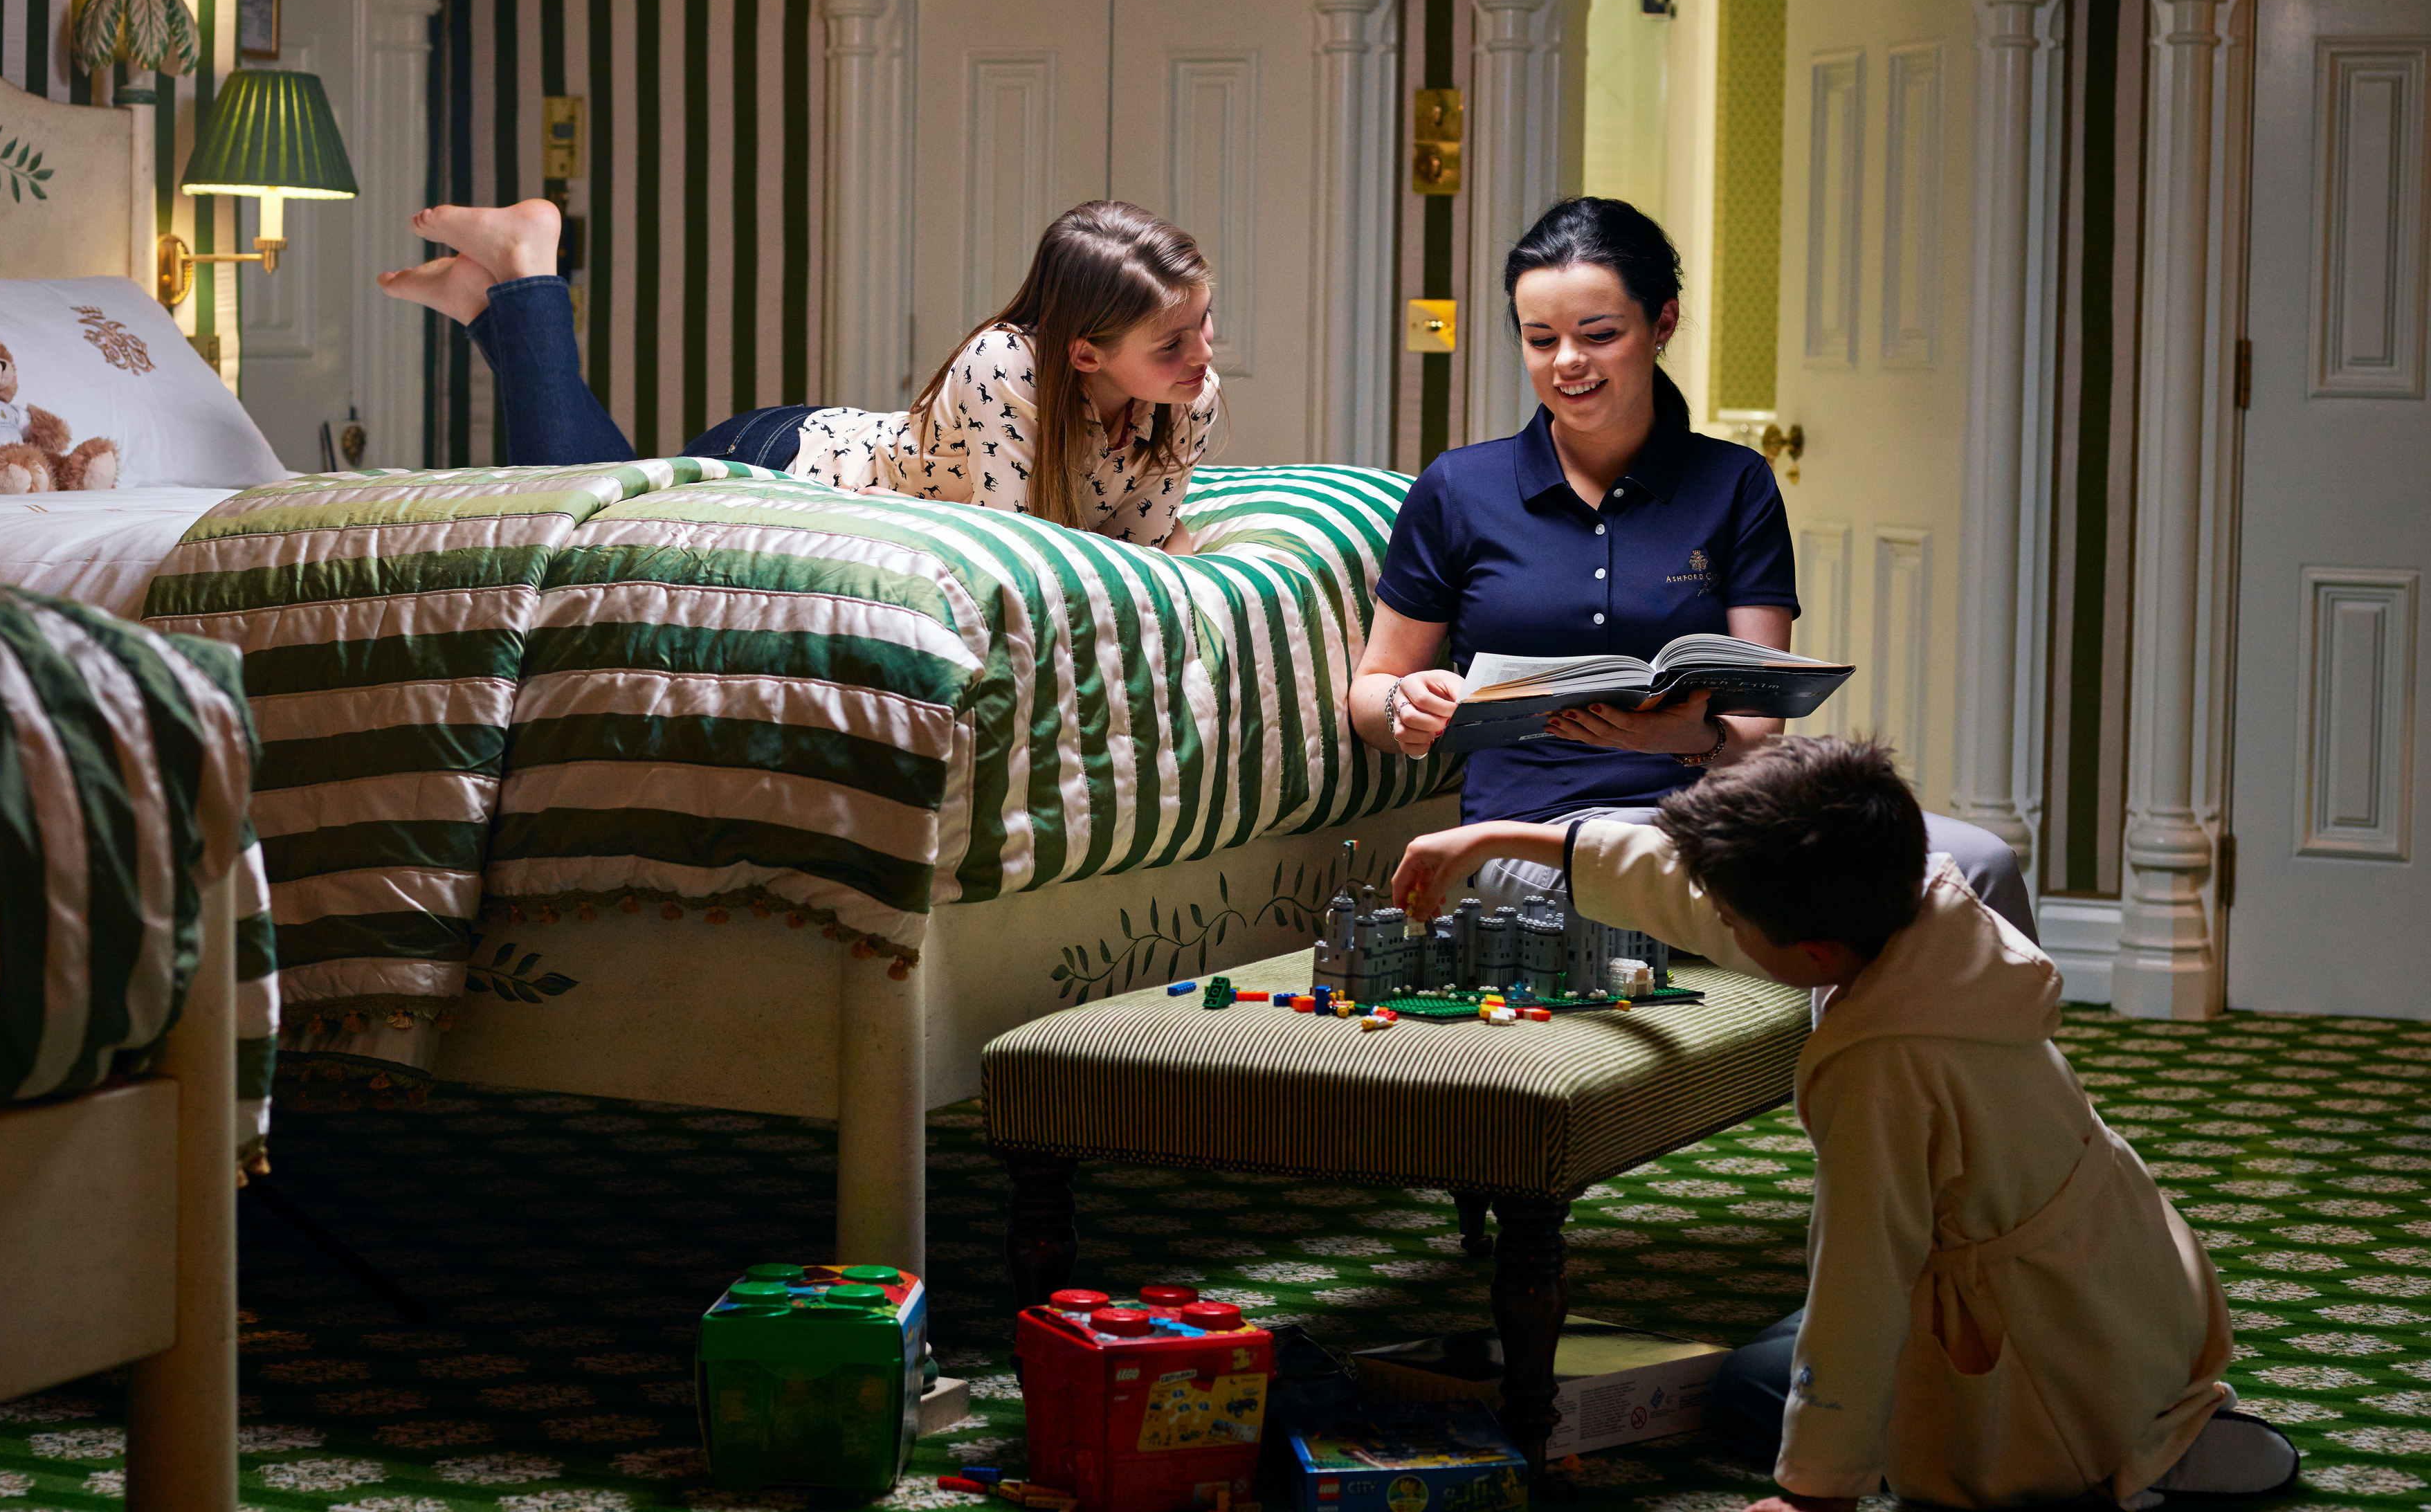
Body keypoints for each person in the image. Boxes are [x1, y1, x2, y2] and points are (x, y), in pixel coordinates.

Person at [1385, 738, 2299, 1512]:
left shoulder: (1883, 1074)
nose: (1716, 926)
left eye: (1734, 923)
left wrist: (1811, 1495)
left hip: (2037, 1352)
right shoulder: (1927, 905)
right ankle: (2148, 1410)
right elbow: (1688, 886)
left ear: (1813, 953)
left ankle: (2120, 1453)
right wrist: (1500, 836)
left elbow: (1863, 1284)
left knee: (1753, 1389)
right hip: (2123, 1279)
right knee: (1792, 1345)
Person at [1345, 196, 2035, 938]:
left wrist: (1681, 739)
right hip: (1536, 834)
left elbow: (1756, 726)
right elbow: (1372, 691)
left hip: (1718, 818)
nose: (1567, 362)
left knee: (1981, 861)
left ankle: (1922, 1059)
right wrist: (1402, 708)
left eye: (1599, 334)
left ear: (1662, 324)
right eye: (1540, 340)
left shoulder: (1735, 484)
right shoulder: (1457, 488)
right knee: (1769, 902)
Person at [379, 199, 1222, 551]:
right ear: (1084, 353)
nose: (1203, 356)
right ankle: (527, 269)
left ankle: (491, 304)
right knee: (581, 508)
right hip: (789, 456)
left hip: (825, 448)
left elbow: (1141, 542)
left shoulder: (1188, 398)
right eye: (1172, 343)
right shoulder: (1009, 363)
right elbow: (1017, 547)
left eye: (1203, 324)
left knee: (605, 489)